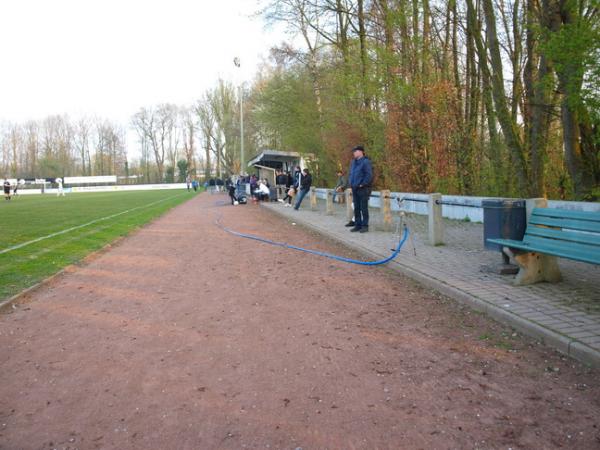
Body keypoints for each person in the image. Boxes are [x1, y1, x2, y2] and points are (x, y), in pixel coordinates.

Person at [348, 145, 373, 233]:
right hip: (354, 188)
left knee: (364, 208)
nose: (354, 153)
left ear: (361, 152)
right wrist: (350, 183)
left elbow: (369, 175)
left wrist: (362, 184)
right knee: (356, 208)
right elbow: (351, 174)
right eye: (353, 151)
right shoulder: (353, 162)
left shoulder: (366, 162)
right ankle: (357, 225)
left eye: (355, 151)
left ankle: (365, 226)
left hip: (363, 189)